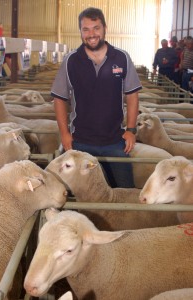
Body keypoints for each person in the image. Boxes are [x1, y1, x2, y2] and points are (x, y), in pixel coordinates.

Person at [51, 7, 142, 188]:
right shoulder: (71, 61)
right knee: (80, 193)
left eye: (96, 28)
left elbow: (132, 95)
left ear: (104, 28)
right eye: (86, 29)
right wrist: (64, 134)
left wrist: (131, 130)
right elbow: (59, 98)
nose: (91, 34)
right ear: (80, 32)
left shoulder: (122, 58)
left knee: (124, 190)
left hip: (115, 141)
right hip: (80, 141)